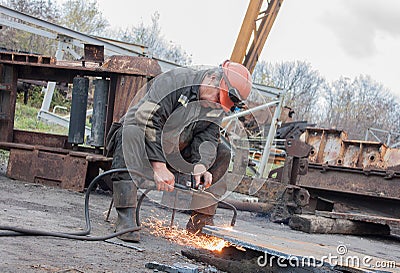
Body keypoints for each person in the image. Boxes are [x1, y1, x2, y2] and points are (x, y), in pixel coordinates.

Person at [106, 60, 252, 242]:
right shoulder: (173, 81)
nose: (216, 105)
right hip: (141, 142)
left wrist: (201, 165)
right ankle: (126, 217)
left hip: (174, 149)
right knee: (131, 131)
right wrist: (158, 166)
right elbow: (149, 119)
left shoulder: (216, 104)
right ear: (212, 78)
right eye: (217, 99)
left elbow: (207, 135)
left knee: (223, 151)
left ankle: (201, 222)